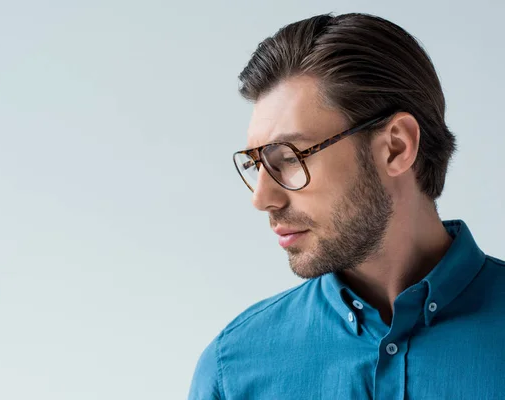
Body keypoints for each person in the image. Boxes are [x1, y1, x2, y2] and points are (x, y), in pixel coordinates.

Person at [188, 12, 505, 400]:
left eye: (288, 157)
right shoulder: (233, 370)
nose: (262, 198)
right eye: (257, 164)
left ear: (396, 147)